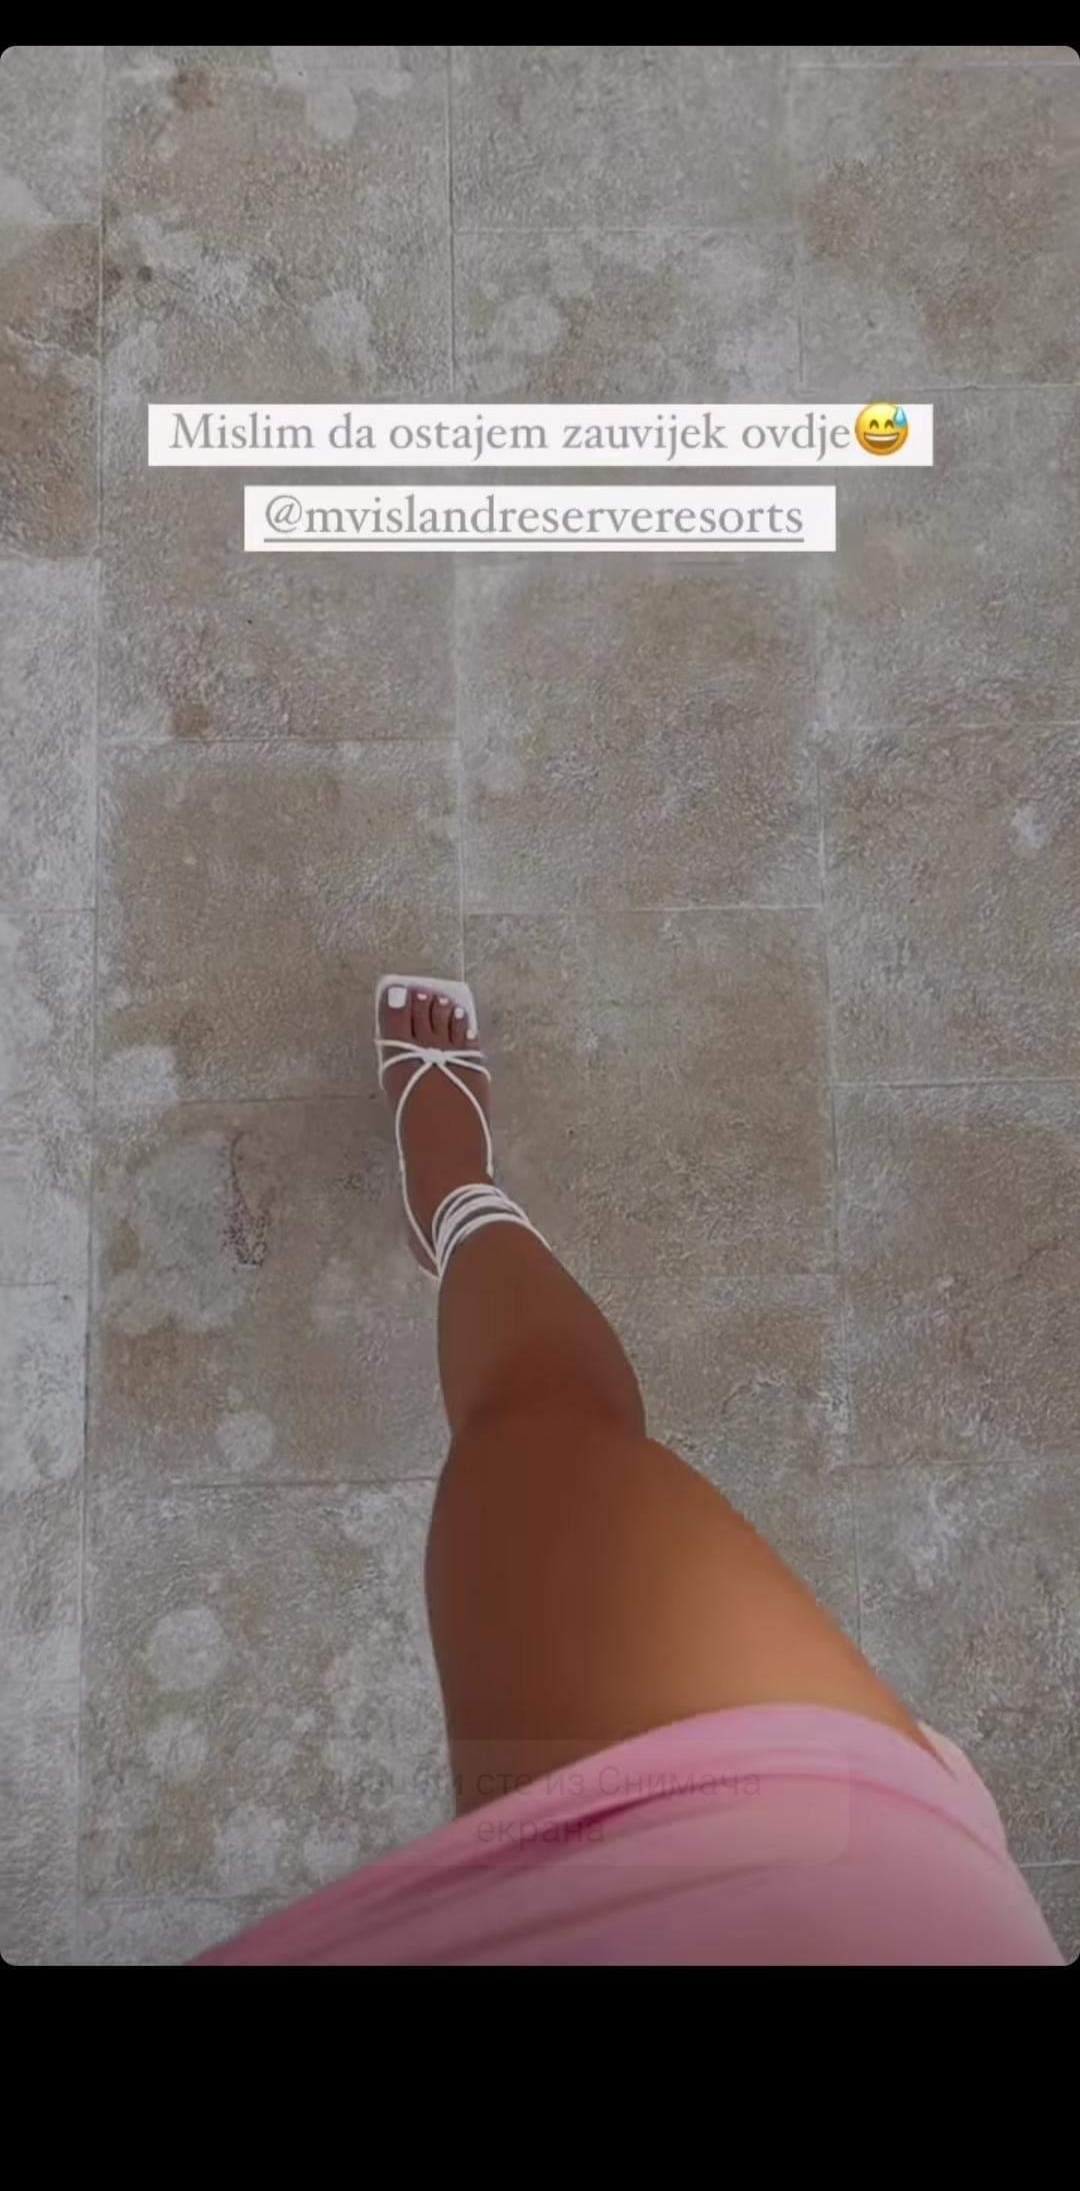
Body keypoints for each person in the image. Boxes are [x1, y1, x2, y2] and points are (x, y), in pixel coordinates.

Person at [199, 976, 1061, 1965]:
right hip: (868, 1907)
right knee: (559, 1449)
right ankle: (457, 1199)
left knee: (543, 1441)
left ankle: (458, 1196)